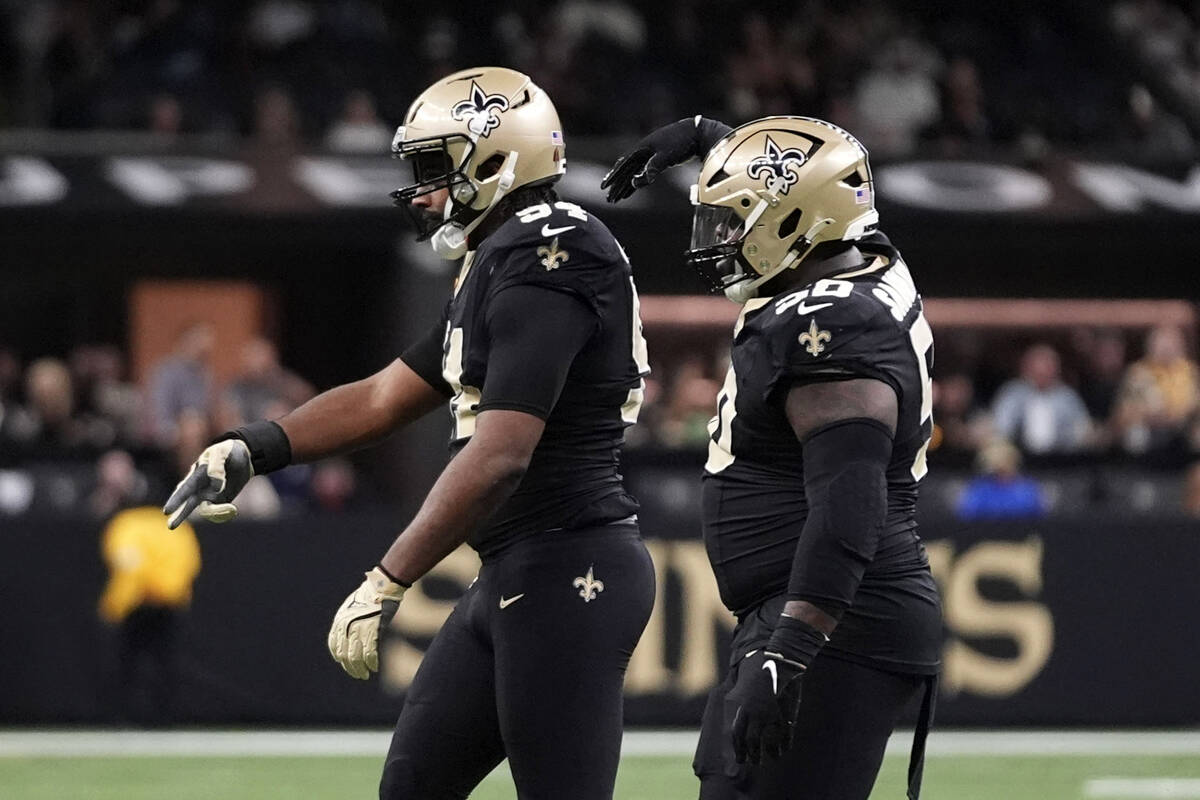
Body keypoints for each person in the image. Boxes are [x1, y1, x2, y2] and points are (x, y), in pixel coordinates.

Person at [162, 67, 654, 800]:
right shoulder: (496, 258)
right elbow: (385, 395)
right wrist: (254, 446)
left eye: (433, 168)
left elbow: (502, 454)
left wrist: (388, 578)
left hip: (569, 569)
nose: (420, 191)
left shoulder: (550, 250)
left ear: (494, 161)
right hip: (517, 570)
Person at [604, 115, 942, 799]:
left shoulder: (829, 323)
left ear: (794, 222)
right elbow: (812, 181)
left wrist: (790, 649)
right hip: (818, 614)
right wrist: (708, 136)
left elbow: (850, 503)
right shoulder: (863, 255)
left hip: (831, 621)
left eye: (736, 221)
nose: (723, 239)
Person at [991, 343, 1091, 455]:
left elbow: (1082, 430)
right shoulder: (1013, 394)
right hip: (1020, 456)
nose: (1042, 373)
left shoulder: (1067, 397)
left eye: (1048, 367)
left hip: (1062, 458)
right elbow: (1001, 427)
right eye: (1037, 368)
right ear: (1026, 369)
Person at [956, 438, 1046, 520]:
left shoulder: (1027, 489)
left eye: (1006, 460)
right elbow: (967, 515)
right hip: (986, 535)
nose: (1002, 466)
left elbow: (1038, 516)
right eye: (996, 460)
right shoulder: (979, 489)